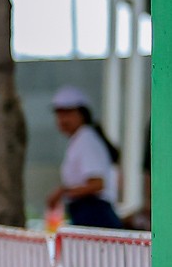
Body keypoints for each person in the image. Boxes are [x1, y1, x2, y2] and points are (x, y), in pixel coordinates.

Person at [46, 86, 122, 229]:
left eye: (68, 113)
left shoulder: (86, 139)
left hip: (95, 214)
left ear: (82, 114)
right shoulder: (78, 140)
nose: (62, 119)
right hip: (86, 213)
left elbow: (97, 184)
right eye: (59, 114)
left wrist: (63, 192)